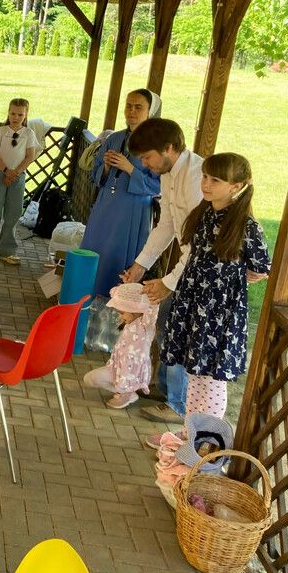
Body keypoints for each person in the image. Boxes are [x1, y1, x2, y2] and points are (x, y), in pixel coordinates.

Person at [158, 153, 270, 422]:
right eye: (205, 177)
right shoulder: (205, 212)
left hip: (219, 311)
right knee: (194, 373)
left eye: (215, 180)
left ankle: (208, 437)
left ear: (236, 186)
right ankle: (191, 432)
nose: (206, 184)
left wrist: (237, 276)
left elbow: (262, 266)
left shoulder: (246, 225)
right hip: (193, 301)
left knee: (211, 378)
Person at [122, 118, 203, 433]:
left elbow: (200, 244)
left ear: (169, 148)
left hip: (203, 268)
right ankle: (166, 389)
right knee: (167, 323)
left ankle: (177, 404)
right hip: (186, 262)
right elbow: (166, 223)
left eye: (147, 157)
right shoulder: (168, 173)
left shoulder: (196, 178)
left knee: (181, 332)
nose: (145, 165)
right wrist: (141, 264)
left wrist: (169, 283)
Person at [80, 89, 163, 296]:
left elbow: (158, 186)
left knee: (117, 257)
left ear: (150, 112)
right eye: (128, 106)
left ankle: (114, 302)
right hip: (105, 205)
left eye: (138, 107)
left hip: (132, 210)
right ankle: (86, 297)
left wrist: (130, 169)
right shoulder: (114, 138)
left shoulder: (156, 146)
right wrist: (106, 167)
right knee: (94, 251)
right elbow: (94, 174)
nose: (132, 111)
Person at [82, 283, 160, 409]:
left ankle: (127, 393)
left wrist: (154, 300)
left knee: (95, 379)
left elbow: (152, 312)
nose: (120, 316)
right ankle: (124, 391)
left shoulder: (146, 326)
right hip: (116, 368)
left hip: (131, 374)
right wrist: (127, 284)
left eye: (122, 312)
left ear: (135, 310)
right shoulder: (128, 323)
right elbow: (133, 296)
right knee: (89, 379)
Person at [0, 98, 41, 265]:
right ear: (8, 113)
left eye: (20, 114)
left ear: (25, 115)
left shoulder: (29, 134)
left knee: (13, 215)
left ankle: (7, 251)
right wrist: (6, 171)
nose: (16, 117)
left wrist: (15, 173)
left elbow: (30, 156)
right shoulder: (1, 132)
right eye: (13, 113)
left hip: (18, 178)